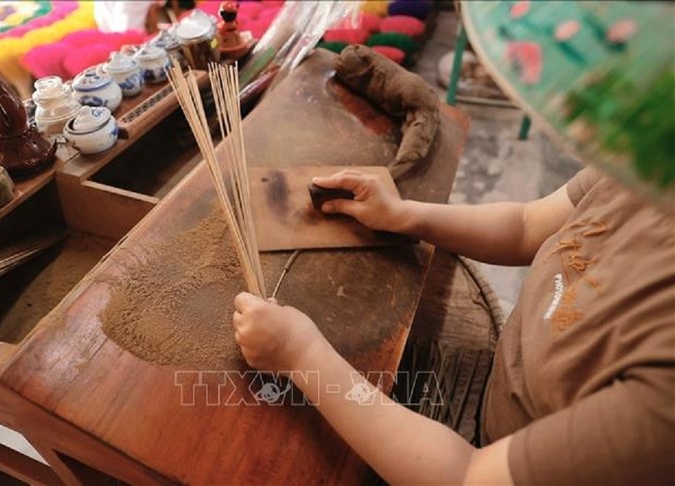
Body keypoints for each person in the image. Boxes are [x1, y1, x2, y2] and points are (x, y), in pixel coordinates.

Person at [232, 162, 674, 485]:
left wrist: (303, 356)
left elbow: (464, 475)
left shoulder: (662, 398)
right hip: (499, 400)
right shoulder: (654, 162)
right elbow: (526, 225)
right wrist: (403, 214)